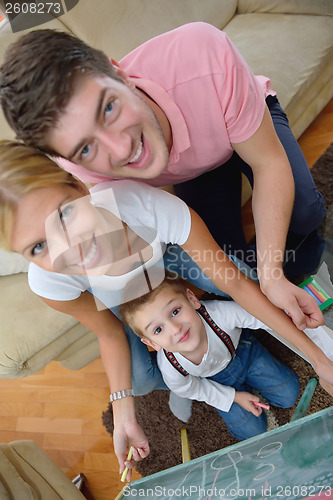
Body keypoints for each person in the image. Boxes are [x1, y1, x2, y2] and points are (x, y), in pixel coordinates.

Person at [0, 140, 332, 480]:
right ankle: (200, 365)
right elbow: (109, 333)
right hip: (123, 303)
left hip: (166, 260)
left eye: (64, 214)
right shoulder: (49, 283)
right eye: (38, 246)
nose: (72, 249)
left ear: (77, 184)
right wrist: (124, 412)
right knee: (140, 380)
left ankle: (230, 337)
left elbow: (235, 284)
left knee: (242, 276)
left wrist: (320, 359)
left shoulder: (142, 205)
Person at [0, 23, 326, 334]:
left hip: (238, 124)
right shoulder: (75, 167)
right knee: (229, 256)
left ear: (120, 75)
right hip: (196, 171)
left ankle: (301, 261)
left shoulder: (203, 54)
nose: (121, 147)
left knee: (305, 211)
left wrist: (271, 275)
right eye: (86, 148)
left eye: (109, 108)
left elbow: (267, 162)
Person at [119, 272, 300, 441]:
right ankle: (240, 393)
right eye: (158, 329)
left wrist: (293, 318)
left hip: (246, 354)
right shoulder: (170, 368)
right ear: (152, 344)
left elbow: (259, 316)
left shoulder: (220, 314)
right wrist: (233, 397)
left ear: (192, 299)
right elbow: (193, 389)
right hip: (216, 381)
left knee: (289, 394)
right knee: (252, 432)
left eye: (175, 312)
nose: (175, 329)